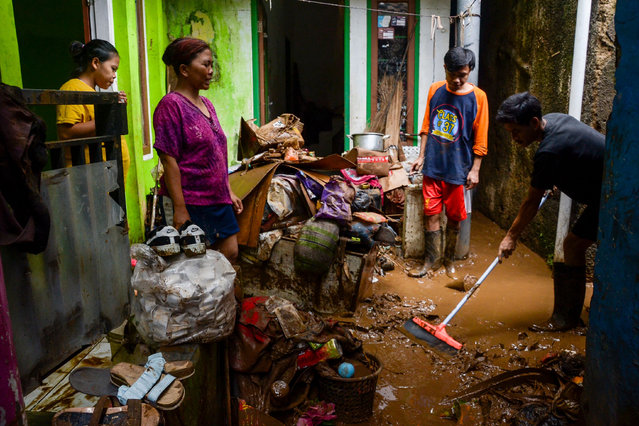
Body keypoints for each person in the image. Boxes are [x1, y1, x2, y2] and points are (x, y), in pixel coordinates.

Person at [496, 92, 605, 332]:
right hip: (606, 186)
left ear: (534, 123)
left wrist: (511, 236)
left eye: (516, 131)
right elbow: (576, 156)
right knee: (574, 245)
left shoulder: (548, 152)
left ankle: (565, 320)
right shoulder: (555, 120)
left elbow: (531, 201)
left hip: (612, 195)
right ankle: (572, 316)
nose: (514, 138)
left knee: (573, 246)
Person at [153, 37, 243, 263]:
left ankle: (217, 298)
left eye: (211, 64)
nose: (211, 71)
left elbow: (216, 152)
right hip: (192, 200)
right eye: (205, 64)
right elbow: (168, 160)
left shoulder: (207, 105)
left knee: (229, 253)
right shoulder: (171, 105)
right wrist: (180, 209)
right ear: (184, 69)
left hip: (217, 199)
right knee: (195, 265)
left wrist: (227, 191)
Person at [409, 47, 488, 279]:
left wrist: (475, 170)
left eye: (462, 75)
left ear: (469, 71)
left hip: (459, 169)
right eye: (452, 73)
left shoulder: (478, 97)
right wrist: (421, 156)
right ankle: (430, 261)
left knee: (454, 218)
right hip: (433, 165)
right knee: (431, 214)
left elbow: (481, 137)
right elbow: (426, 126)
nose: (456, 79)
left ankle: (449, 261)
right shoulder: (435, 90)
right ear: (445, 68)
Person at [56, 39, 130, 182]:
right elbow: (66, 133)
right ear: (95, 63)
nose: (114, 75)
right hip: (88, 180)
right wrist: (109, 120)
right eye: (113, 69)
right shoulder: (72, 88)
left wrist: (115, 109)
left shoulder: (93, 93)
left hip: (102, 177)